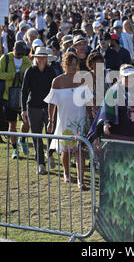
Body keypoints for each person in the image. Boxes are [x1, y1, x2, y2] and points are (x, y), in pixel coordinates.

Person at [45, 52, 93, 190]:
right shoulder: (57, 81)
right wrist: (51, 121)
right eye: (69, 64)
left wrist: (90, 117)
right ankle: (66, 173)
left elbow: (88, 100)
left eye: (75, 64)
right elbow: (52, 103)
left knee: (79, 150)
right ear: (64, 65)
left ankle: (80, 180)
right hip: (65, 120)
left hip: (80, 120)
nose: (72, 67)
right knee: (66, 150)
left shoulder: (82, 80)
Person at [21, 47, 57, 175]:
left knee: (51, 133)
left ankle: (50, 153)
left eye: (44, 56)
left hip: (48, 107)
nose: (41, 59)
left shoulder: (51, 71)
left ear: (47, 58)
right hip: (33, 107)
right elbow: (24, 91)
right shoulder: (30, 71)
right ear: (35, 58)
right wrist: (23, 110)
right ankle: (40, 163)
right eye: (39, 56)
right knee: (36, 136)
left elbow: (55, 90)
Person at [0, 40, 32, 159]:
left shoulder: (27, 61)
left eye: (22, 54)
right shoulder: (5, 58)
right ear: (13, 49)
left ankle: (22, 140)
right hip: (8, 95)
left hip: (23, 96)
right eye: (18, 54)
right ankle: (15, 149)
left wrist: (24, 76)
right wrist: (14, 75)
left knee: (26, 121)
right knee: (12, 124)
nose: (20, 56)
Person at [100, 64, 134, 142]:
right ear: (121, 77)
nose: (129, 79)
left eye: (131, 76)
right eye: (126, 77)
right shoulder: (113, 91)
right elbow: (106, 110)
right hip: (120, 134)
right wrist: (106, 123)